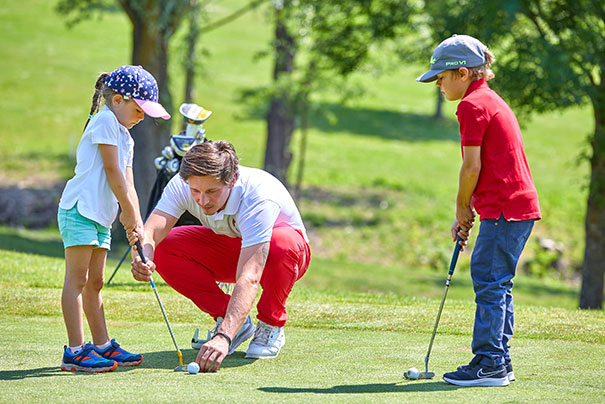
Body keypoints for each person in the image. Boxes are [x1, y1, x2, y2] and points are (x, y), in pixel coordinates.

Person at [417, 34, 541, 387]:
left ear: (462, 73)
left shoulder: (472, 105)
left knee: (489, 281)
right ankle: (499, 358)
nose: (438, 84)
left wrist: (461, 210)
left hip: (505, 208)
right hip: (513, 207)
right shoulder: (487, 98)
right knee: (497, 282)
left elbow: (471, 167)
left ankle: (491, 363)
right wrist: (471, 209)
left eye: (441, 77)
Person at [129, 140, 311, 373]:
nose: (202, 200)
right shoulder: (182, 184)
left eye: (212, 191)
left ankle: (270, 323)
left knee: (280, 244)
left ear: (232, 180)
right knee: (166, 247)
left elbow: (250, 276)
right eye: (196, 191)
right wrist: (143, 257)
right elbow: (152, 231)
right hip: (232, 246)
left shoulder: (258, 196)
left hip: (284, 256)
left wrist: (223, 337)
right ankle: (232, 318)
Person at [57, 65, 171, 372]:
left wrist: (135, 221)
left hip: (101, 215)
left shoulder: (126, 137)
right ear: (118, 99)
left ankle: (102, 345)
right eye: (138, 109)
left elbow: (129, 184)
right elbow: (112, 171)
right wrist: (128, 210)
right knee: (77, 280)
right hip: (80, 210)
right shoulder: (106, 120)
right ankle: (76, 351)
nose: (142, 117)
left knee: (95, 282)